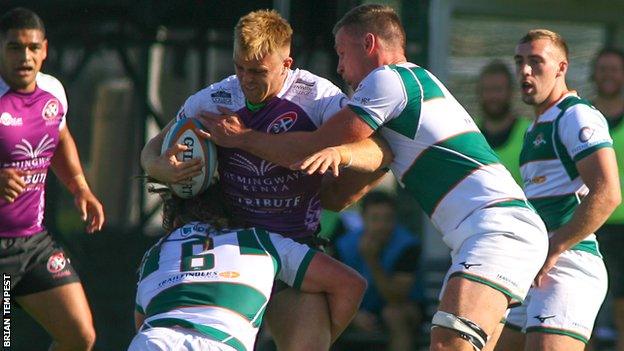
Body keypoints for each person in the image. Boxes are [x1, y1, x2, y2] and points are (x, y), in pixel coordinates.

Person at [200, 4, 550, 351]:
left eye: (341, 53)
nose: (338, 67)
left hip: (496, 228)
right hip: (497, 231)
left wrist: (242, 138)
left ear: (369, 44)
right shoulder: (409, 89)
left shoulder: (389, 79)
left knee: (447, 344)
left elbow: (311, 146)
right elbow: (338, 196)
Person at [140, 9, 390, 350]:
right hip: (234, 251)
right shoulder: (215, 98)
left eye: (258, 71)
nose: (246, 80)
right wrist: (162, 169)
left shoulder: (318, 98)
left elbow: (380, 152)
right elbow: (151, 151)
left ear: (287, 64)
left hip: (295, 251)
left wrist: (341, 161)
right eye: (239, 68)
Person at [494, 29, 621, 351]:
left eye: (536, 61)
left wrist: (553, 248)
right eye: (519, 61)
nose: (525, 70)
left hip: (569, 264)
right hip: (536, 267)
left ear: (561, 68)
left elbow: (607, 194)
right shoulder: (535, 126)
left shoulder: (575, 114)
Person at [129, 181, 367, 351]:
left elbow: (142, 324)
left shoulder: (156, 252)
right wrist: (321, 338)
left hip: (154, 340)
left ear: (176, 216)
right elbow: (350, 285)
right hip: (219, 343)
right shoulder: (259, 241)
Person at [0, 7, 105, 351]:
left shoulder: (53, 92)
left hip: (33, 244)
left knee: (80, 337)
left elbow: (60, 138)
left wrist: (80, 187)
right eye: (15, 47)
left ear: (45, 49)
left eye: (32, 48)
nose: (25, 57)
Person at [335, 191, 422, 351]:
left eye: (388, 218)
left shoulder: (408, 246)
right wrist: (354, 315)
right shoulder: (343, 244)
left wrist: (372, 261)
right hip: (357, 309)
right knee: (322, 312)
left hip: (402, 307)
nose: (382, 226)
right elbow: (334, 290)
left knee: (394, 315)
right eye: (375, 218)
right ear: (363, 219)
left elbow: (396, 297)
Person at [591, 47, 624, 351]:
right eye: (603, 69)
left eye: (615, 69)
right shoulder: (582, 117)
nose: (609, 75)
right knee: (583, 302)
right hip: (589, 224)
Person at [477, 60, 530, 184]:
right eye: (487, 90)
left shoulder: (529, 134)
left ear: (511, 92)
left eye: (498, 89)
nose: (492, 96)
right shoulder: (468, 133)